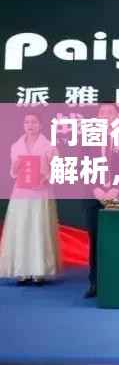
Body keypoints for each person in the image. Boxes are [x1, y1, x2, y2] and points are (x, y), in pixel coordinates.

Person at [0, 113, 60, 285]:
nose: (30, 125)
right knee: (21, 228)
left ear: (41, 125)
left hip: (40, 192)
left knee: (38, 228)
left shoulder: (49, 146)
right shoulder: (16, 146)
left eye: (34, 122)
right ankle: (22, 270)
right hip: (21, 192)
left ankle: (39, 271)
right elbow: (13, 172)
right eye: (27, 122)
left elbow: (58, 168)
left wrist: (45, 177)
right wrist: (15, 166)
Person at [83, 104, 119, 298]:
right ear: (97, 117)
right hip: (93, 196)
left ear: (118, 116)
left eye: (111, 112)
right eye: (102, 113)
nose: (106, 116)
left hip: (118, 195)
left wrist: (116, 189)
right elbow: (81, 164)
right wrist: (95, 189)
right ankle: (95, 283)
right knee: (96, 239)